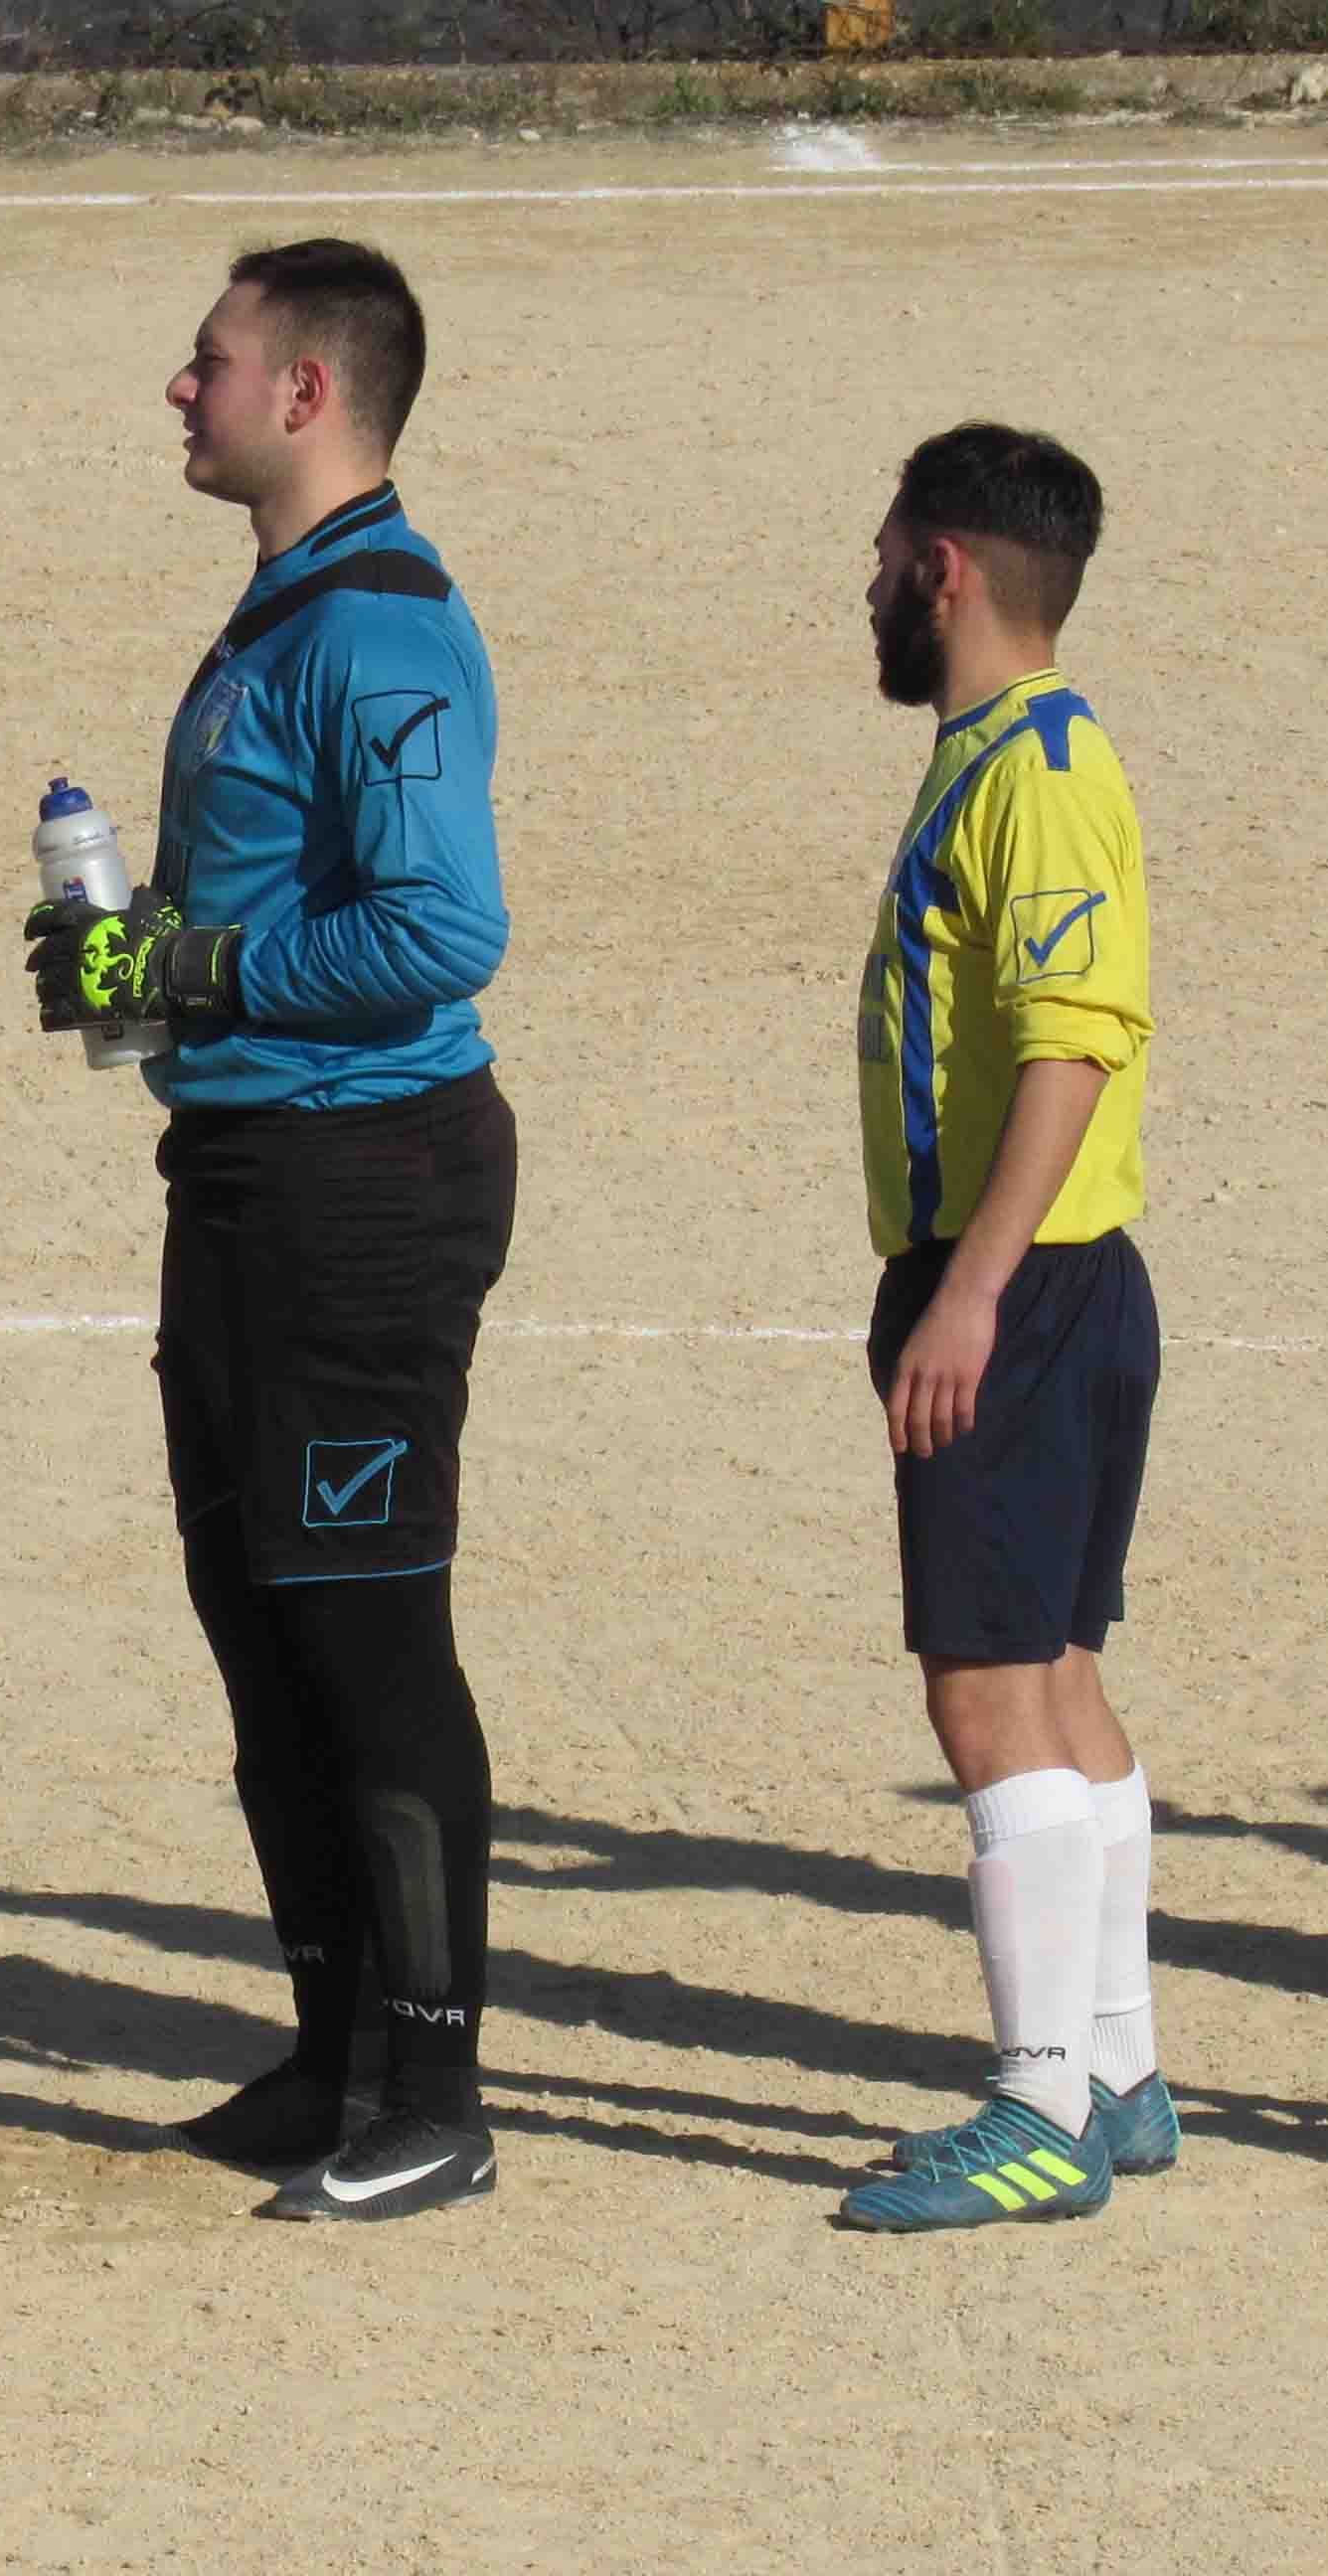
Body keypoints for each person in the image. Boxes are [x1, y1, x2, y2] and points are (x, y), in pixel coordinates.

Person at [16, 240, 516, 2221]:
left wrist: (188, 954)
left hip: (361, 1183)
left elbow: (440, 930)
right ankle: (336, 2047)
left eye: (207, 360)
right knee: (261, 1615)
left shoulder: (377, 630)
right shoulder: (285, 606)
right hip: (242, 1178)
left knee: (368, 1621)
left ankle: (440, 2090)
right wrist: (135, 966)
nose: (178, 386)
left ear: (305, 392)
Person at [830, 424, 1168, 2234]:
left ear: (946, 566)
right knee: (1053, 1672)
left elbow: (1068, 1033)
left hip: (1012, 1280)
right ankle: (1113, 2066)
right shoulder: (1018, 753)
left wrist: (963, 1291)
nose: (866, 582)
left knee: (980, 1687)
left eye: (883, 551)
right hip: (1068, 1277)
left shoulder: (1030, 769)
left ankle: (1034, 2108)